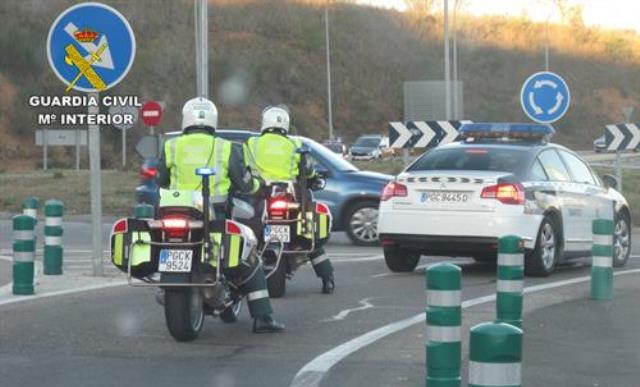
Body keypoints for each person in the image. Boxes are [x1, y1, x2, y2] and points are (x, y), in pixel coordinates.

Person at [157, 97, 284, 333]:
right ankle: (263, 317)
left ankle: (166, 284)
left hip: (174, 213)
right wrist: (259, 187)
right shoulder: (227, 147)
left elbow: (161, 179)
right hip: (215, 217)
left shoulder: (170, 146)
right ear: (213, 121)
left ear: (186, 119)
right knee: (250, 258)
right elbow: (245, 184)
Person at [247, 105, 335, 294]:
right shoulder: (294, 144)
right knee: (309, 237)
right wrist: (313, 178)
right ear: (286, 125)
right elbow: (309, 169)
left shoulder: (252, 143)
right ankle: (327, 278)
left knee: (251, 233)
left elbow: (244, 170)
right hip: (290, 196)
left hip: (261, 196)